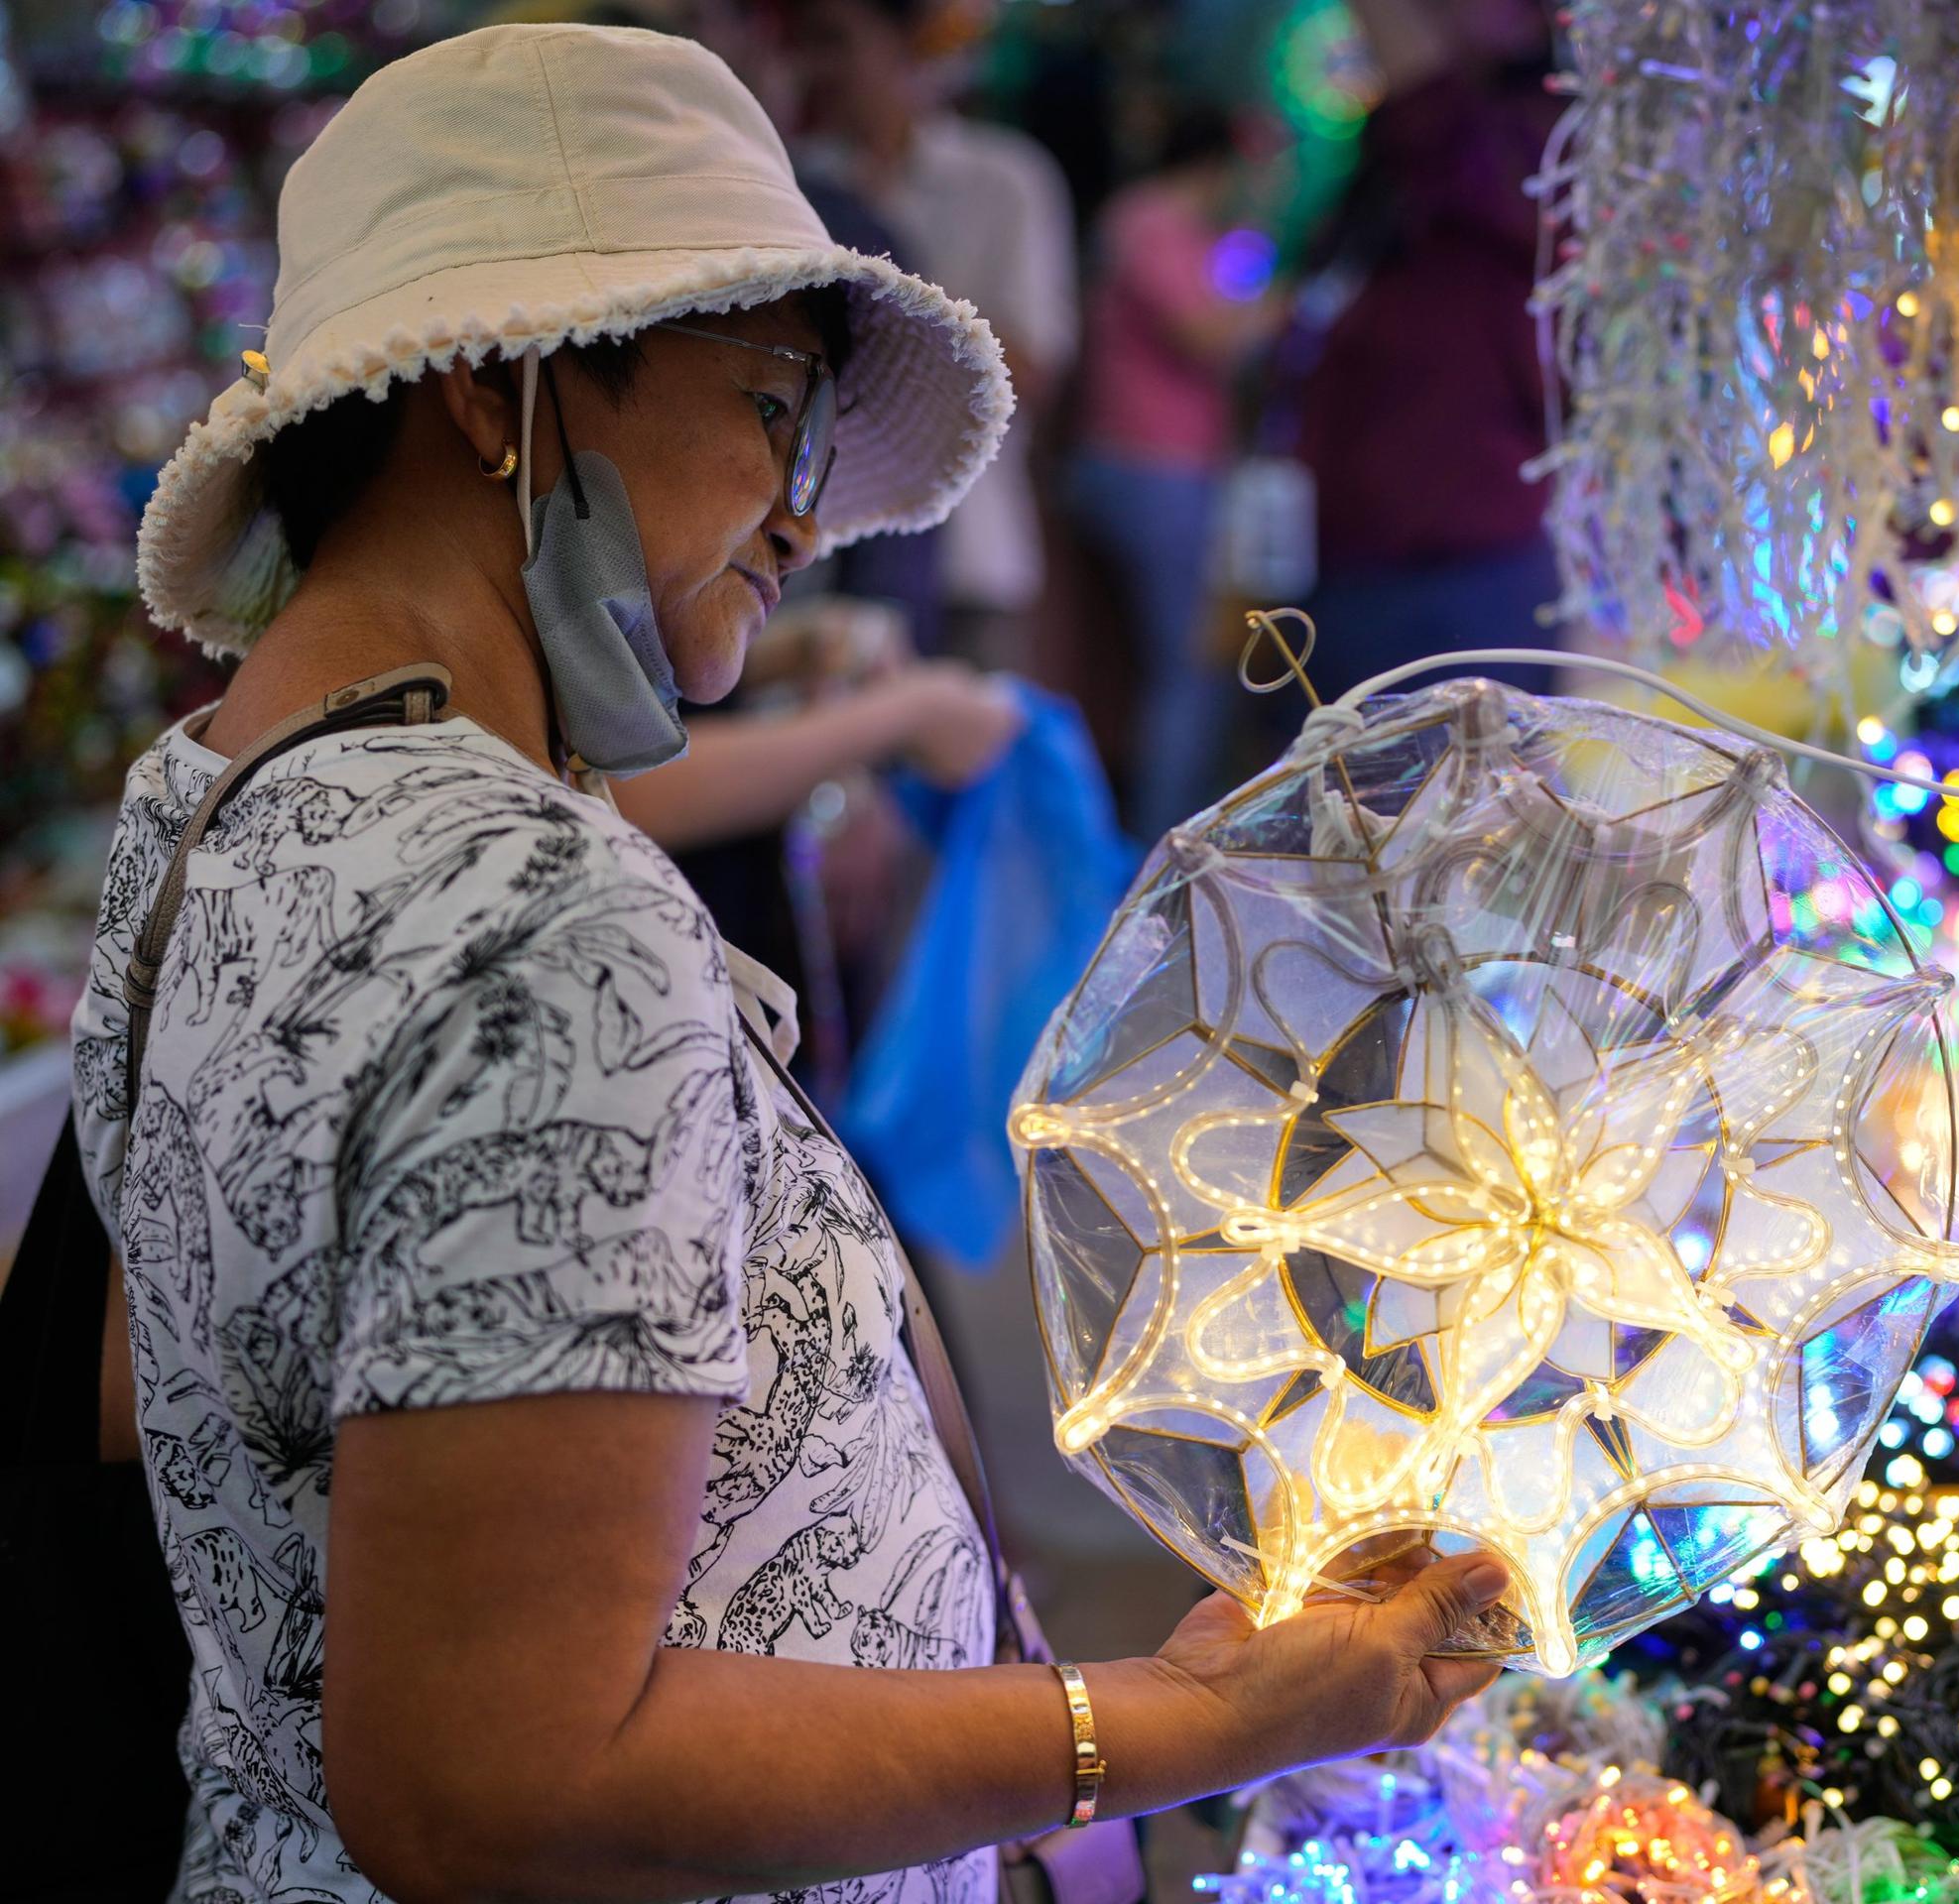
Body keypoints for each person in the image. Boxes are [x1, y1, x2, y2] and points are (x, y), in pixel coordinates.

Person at [81, 26, 1505, 1901]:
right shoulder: (534, 918)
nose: (815, 511)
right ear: (507, 396)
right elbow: (498, 1786)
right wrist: (1182, 1724)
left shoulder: (212, 795)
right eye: (775, 410)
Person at [790, 0, 1079, 671]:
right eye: (806, 44)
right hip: (823, 563)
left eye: (837, 41)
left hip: (971, 553)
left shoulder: (1005, 179)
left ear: (909, 43)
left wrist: (888, 317)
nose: (816, 67)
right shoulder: (792, 181)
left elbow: (1035, 367)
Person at [1291, 0, 1563, 705]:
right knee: (1354, 800)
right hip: (1359, 554)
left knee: (1474, 805)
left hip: (1468, 559)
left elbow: (1432, 107)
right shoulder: (1393, 164)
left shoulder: (1534, 146)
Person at [1067, 103, 1286, 833]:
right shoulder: (1149, 221)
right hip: (1150, 467)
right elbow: (1209, 335)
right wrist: (1290, 308)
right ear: (1219, 163)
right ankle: (1169, 846)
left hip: (1167, 469)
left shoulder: (1189, 234)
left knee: (1179, 671)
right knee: (1189, 674)